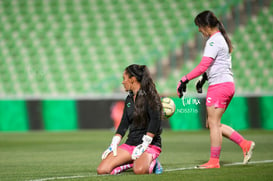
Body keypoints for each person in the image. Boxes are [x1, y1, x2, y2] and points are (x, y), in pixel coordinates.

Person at [176, 10, 255, 169]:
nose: (199, 30)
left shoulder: (213, 41)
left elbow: (204, 65)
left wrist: (184, 79)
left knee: (213, 123)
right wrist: (203, 80)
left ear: (206, 25)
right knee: (212, 124)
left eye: (199, 26)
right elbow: (214, 66)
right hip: (225, 85)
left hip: (219, 86)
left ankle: (214, 161)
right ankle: (245, 144)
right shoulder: (221, 40)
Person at [97, 64, 163, 175]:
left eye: (124, 78)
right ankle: (133, 162)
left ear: (132, 80)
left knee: (140, 170)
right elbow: (124, 123)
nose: (123, 82)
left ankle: (153, 162)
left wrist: (145, 143)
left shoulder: (150, 96)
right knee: (102, 170)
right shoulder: (128, 99)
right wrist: (114, 143)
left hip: (149, 144)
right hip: (131, 144)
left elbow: (155, 120)